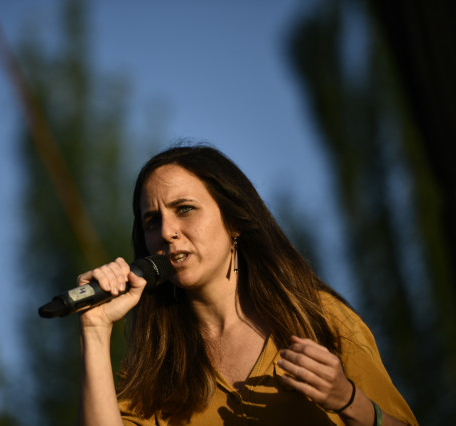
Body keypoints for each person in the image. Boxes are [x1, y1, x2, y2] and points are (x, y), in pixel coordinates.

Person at [77, 144, 418, 425]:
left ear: (234, 222)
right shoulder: (155, 366)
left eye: (184, 209)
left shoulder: (319, 317)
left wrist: (348, 399)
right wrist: (94, 329)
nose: (167, 232)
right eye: (152, 221)